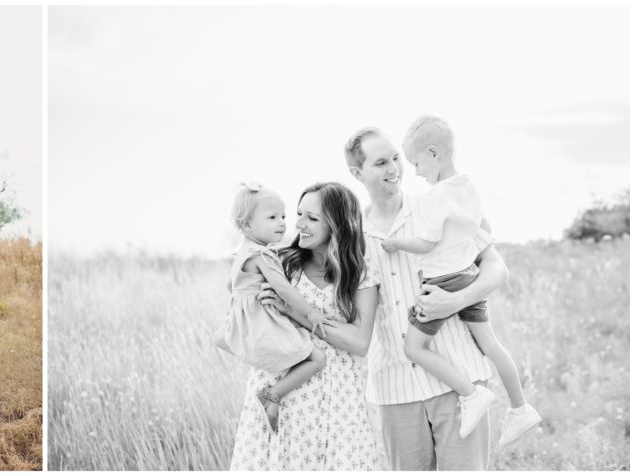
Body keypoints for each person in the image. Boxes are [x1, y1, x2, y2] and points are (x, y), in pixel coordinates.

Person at [345, 126, 507, 470]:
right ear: (357, 173)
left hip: (459, 384)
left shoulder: (439, 204)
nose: (394, 169)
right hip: (395, 388)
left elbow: (496, 269)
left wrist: (457, 300)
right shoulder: (350, 237)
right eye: (380, 163)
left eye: (395, 159)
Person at [382, 116, 541, 445]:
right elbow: (480, 238)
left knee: (413, 347)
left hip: (442, 283)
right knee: (492, 346)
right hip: (468, 277)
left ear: (433, 153)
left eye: (416, 163)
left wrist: (396, 243)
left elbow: (425, 244)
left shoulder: (435, 197)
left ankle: (471, 394)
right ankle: (520, 408)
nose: (416, 172)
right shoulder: (470, 188)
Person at [230, 182, 384, 471]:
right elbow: (244, 310)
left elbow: (360, 343)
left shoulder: (360, 273)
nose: (298, 224)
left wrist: (293, 312)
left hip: (338, 401)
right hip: (281, 393)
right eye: (299, 213)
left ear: (338, 225)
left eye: (312, 218)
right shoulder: (282, 264)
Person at [214, 182, 329, 433]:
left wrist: (243, 302)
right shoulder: (262, 255)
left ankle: (264, 367)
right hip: (261, 322)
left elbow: (229, 285)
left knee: (227, 340)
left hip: (240, 320)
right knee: (318, 358)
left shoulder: (241, 253)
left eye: (283, 216)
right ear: (247, 225)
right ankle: (272, 394)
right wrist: (310, 312)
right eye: (272, 217)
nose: (282, 223)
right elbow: (284, 289)